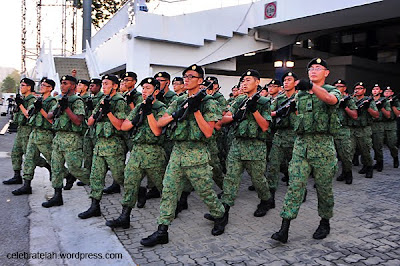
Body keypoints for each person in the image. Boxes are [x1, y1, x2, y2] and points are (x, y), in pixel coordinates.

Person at [140, 64, 227, 247]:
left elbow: (209, 132)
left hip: (197, 154)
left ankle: (220, 215)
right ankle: (162, 230)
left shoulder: (208, 102)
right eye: (185, 76)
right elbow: (161, 121)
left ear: (200, 81)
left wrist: (195, 110)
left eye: (191, 76)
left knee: (205, 192)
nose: (186, 79)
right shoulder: (179, 101)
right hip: (177, 152)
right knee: (169, 191)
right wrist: (178, 113)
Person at [271, 58, 341, 243]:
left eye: (318, 68)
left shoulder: (332, 90)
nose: (313, 70)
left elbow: (330, 100)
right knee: (295, 186)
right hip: (301, 146)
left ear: (326, 73)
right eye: (311, 68)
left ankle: (325, 222)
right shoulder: (300, 94)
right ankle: (284, 228)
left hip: (323, 146)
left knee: (324, 189)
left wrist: (311, 86)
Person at [204, 69, 273, 228]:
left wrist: (254, 110)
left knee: (258, 180)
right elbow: (222, 120)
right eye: (243, 81)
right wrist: (235, 116)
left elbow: (265, 126)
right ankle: (222, 215)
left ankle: (266, 200)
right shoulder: (239, 101)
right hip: (238, 145)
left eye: (248, 80)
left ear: (257, 82)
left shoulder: (263, 102)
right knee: (230, 180)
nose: (244, 83)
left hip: (256, 146)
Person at [106, 77, 166, 229]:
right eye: (143, 88)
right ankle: (124, 216)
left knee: (164, 186)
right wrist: (137, 118)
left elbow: (157, 131)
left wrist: (148, 114)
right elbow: (124, 126)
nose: (144, 91)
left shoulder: (161, 108)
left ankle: (170, 213)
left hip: (154, 152)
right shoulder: (139, 106)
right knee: (130, 183)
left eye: (148, 88)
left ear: (156, 91)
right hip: (137, 151)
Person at [78, 74, 128, 219]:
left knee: (120, 177)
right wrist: (99, 111)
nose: (104, 86)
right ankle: (94, 206)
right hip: (99, 145)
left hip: (113, 145)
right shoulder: (102, 100)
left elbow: (119, 126)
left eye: (107, 84)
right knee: (96, 177)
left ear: (114, 86)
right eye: (103, 84)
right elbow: (89, 122)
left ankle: (138, 192)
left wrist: (108, 112)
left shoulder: (119, 101)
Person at [41, 75, 90, 208]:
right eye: (61, 83)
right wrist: (58, 107)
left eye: (65, 83)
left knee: (75, 168)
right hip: (58, 138)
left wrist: (67, 107)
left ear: (73, 86)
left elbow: (78, 121)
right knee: (56, 168)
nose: (62, 86)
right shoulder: (58, 99)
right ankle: (57, 196)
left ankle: (96, 184)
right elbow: (50, 116)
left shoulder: (77, 101)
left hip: (72, 139)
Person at [13, 78, 57, 195]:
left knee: (52, 159)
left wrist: (39, 108)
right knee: (29, 159)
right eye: (41, 85)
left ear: (50, 88)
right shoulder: (38, 100)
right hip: (34, 133)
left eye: (44, 85)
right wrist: (20, 104)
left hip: (45, 134)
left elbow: (51, 119)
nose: (41, 87)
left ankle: (67, 175)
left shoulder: (53, 102)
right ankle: (26, 185)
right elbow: (28, 114)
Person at [3, 78, 50, 185]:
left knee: (31, 156)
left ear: (29, 87)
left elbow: (29, 115)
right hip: (20, 129)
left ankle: (48, 165)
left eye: (23, 85)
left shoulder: (32, 99)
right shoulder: (23, 98)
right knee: (15, 153)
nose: (21, 87)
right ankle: (16, 175)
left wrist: (20, 105)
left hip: (28, 130)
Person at [266, 71, 298, 204]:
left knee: (295, 168)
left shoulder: (301, 98)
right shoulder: (279, 99)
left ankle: (300, 191)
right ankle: (270, 195)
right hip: (280, 135)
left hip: (295, 136)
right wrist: (277, 112)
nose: (285, 82)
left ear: (296, 82)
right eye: (284, 80)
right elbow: (269, 113)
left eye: (289, 80)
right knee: (273, 165)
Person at [349, 82, 379, 178]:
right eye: (356, 88)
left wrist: (367, 108)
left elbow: (376, 115)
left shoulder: (368, 101)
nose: (358, 90)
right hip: (352, 128)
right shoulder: (350, 100)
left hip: (364, 129)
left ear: (364, 90)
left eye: (360, 88)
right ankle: (347, 171)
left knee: (365, 150)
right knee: (349, 150)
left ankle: (368, 167)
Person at [333, 79, 358, 184]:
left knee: (345, 155)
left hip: (343, 130)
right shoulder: (330, 98)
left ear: (344, 88)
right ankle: (323, 179)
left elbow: (355, 115)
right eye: (336, 86)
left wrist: (346, 108)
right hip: (330, 130)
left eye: (340, 86)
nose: (338, 88)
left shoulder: (349, 100)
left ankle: (347, 173)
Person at [371, 84, 387, 172]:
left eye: (377, 89)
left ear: (380, 91)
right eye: (373, 89)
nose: (375, 91)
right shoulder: (368, 100)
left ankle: (379, 162)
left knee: (378, 146)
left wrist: (381, 108)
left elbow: (388, 115)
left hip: (379, 125)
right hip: (369, 124)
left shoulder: (384, 101)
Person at [382, 86, 399, 168]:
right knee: (377, 144)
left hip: (391, 124)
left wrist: (393, 105)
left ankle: (395, 157)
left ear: (392, 93)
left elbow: (398, 114)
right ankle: (379, 162)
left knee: (392, 144)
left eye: (389, 91)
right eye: (386, 91)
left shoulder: (395, 101)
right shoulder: (381, 101)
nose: (387, 93)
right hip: (380, 124)